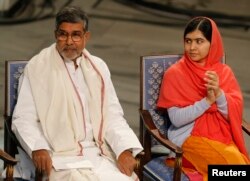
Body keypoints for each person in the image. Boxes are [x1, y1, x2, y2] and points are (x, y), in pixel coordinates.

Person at [11, 6, 143, 181]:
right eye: (63, 34)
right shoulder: (37, 68)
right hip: (58, 155)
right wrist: (38, 148)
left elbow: (112, 116)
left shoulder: (98, 68)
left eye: (76, 35)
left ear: (86, 37)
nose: (69, 41)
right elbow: (24, 118)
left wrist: (123, 149)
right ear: (55, 35)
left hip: (98, 153)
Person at [157, 16, 249, 181]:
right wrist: (207, 101)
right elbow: (176, 120)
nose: (192, 47)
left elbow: (233, 115)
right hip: (187, 138)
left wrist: (219, 94)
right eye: (188, 41)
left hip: (221, 136)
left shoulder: (224, 72)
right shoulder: (175, 74)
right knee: (236, 171)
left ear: (212, 43)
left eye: (199, 41)